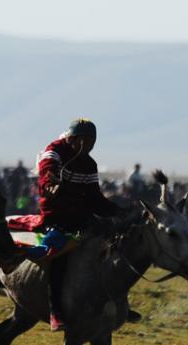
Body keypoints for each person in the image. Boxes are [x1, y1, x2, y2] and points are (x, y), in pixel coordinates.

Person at [37, 118, 119, 331]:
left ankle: (114, 300)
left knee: (115, 243)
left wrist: (122, 211)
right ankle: (55, 311)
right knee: (60, 258)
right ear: (72, 139)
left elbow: (96, 200)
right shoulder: (55, 151)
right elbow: (47, 171)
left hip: (80, 217)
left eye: (92, 142)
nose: (89, 147)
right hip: (56, 216)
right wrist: (50, 183)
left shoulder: (89, 164)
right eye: (85, 141)